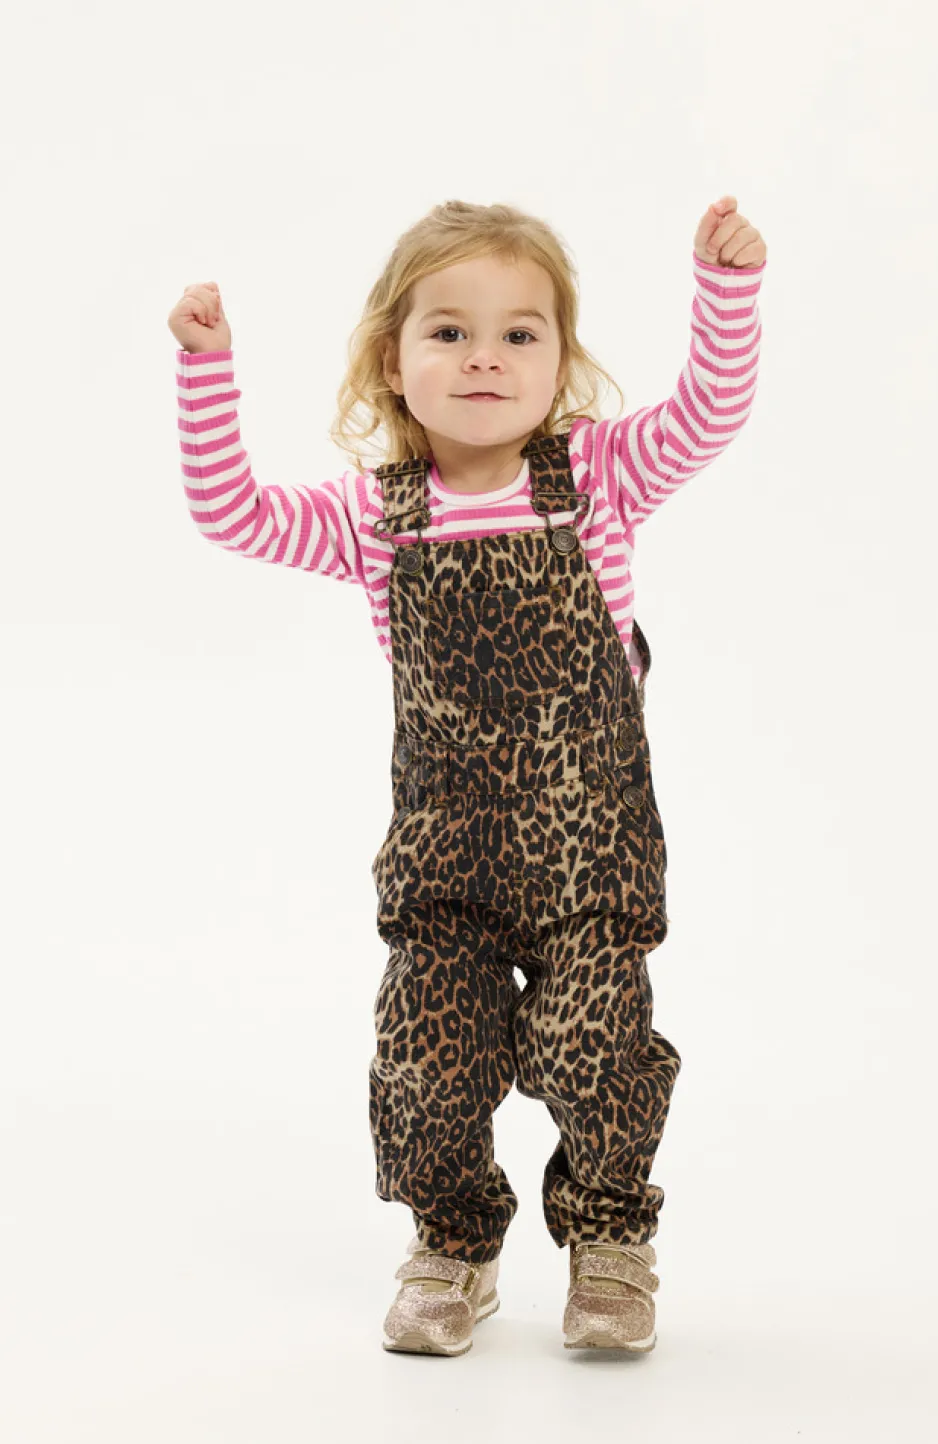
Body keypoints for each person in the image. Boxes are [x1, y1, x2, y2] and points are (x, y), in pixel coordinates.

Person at [168, 196, 767, 1358]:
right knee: (425, 1057)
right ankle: (451, 1244)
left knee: (597, 1046)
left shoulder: (598, 476)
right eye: (448, 332)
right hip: (446, 858)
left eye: (518, 333)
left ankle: (609, 1239)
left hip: (592, 849)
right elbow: (231, 514)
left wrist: (724, 289)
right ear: (393, 364)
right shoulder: (373, 516)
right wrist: (206, 368)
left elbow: (710, 412)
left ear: (559, 361)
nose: (484, 356)